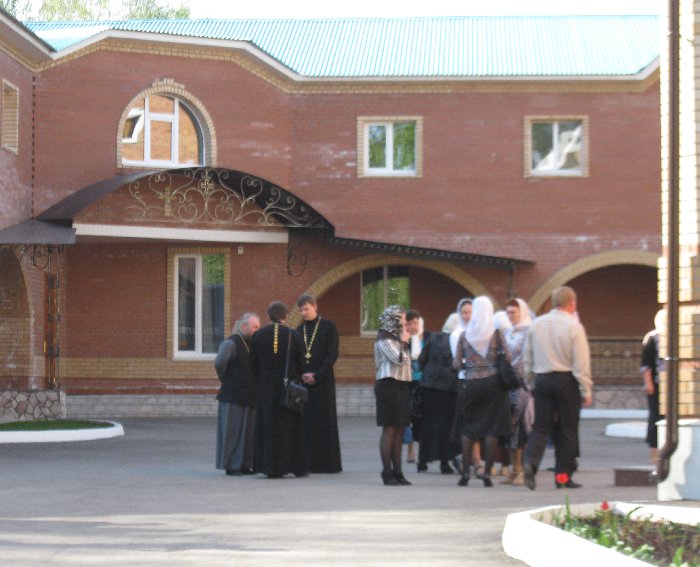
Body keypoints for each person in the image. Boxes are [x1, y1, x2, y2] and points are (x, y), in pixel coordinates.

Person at [523, 286, 593, 491]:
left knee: (540, 426)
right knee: (567, 429)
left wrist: (530, 381)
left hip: (542, 379)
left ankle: (531, 462)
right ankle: (563, 476)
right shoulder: (574, 326)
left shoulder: (536, 324)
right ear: (572, 303)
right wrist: (586, 389)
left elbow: (527, 357)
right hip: (566, 380)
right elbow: (581, 362)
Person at [452, 296, 511, 487]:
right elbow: (508, 357)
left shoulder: (464, 335)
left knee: (468, 429)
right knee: (492, 429)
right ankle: (487, 474)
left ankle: (465, 474)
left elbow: (456, 363)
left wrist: (470, 365)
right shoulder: (496, 334)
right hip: (493, 383)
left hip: (471, 383)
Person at [251, 301, 308, 479]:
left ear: (268, 316)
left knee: (267, 425)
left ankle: (268, 466)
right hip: (288, 388)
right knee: (289, 427)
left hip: (265, 388)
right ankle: (292, 466)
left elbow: (253, 364)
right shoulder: (294, 335)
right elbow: (301, 364)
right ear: (285, 316)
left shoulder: (258, 335)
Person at [296, 293, 342, 474]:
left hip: (323, 382)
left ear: (315, 307)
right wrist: (302, 374)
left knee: (324, 421)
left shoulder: (328, 327)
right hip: (304, 383)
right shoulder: (299, 330)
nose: (304, 313)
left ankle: (327, 464)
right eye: (301, 310)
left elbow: (332, 354)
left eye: (306, 309)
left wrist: (317, 375)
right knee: (307, 423)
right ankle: (308, 463)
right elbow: (297, 357)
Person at [214, 312, 261, 476]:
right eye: (255, 327)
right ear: (244, 326)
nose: (257, 330)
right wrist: (227, 380)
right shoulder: (231, 343)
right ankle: (232, 465)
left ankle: (245, 464)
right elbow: (220, 364)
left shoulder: (251, 345)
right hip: (233, 396)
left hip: (249, 396)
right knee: (233, 432)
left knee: (247, 433)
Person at [416, 313, 460, 474]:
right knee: (446, 427)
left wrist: (428, 374)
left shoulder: (433, 338)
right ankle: (444, 462)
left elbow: (421, 359)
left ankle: (422, 460)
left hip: (429, 388)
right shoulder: (456, 340)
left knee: (428, 425)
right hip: (449, 389)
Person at [374, 305, 413, 486]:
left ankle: (398, 472)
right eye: (402, 319)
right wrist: (404, 342)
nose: (405, 323)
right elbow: (398, 359)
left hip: (401, 385)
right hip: (388, 386)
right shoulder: (384, 338)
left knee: (400, 429)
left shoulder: (397, 338)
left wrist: (404, 341)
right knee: (389, 429)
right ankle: (386, 472)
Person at [501, 298, 534, 486]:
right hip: (508, 385)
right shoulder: (507, 332)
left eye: (514, 312)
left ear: (522, 312)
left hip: (523, 385)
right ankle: (514, 469)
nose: (511, 316)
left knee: (523, 429)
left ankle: (523, 471)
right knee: (510, 429)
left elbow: (527, 357)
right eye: (508, 312)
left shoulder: (529, 332)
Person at [640, 309, 665, 465]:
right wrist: (648, 382)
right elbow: (646, 364)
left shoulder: (673, 336)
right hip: (656, 385)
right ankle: (655, 454)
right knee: (655, 417)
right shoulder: (651, 338)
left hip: (670, 386)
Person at [403, 309, 424, 464]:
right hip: (407, 383)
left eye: (415, 323)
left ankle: (423, 450)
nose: (412, 327)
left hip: (423, 383)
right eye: (409, 324)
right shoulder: (404, 341)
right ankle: (410, 450)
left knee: (423, 418)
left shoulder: (426, 340)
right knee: (408, 418)